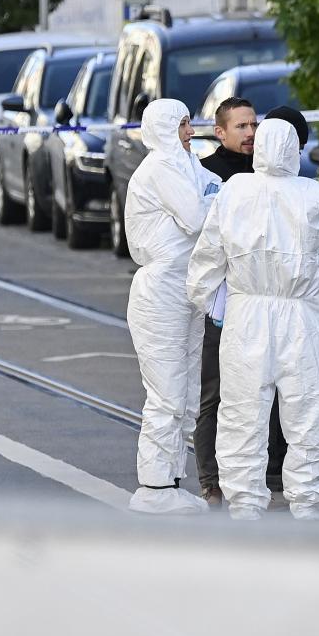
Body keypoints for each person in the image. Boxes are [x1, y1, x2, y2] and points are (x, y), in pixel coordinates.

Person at [187, 118, 319, 521]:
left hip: (246, 314)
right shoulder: (314, 195)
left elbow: (207, 258)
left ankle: (244, 502)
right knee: (309, 408)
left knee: (242, 410)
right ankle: (310, 501)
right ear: (295, 149)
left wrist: (209, 302)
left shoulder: (234, 193)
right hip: (301, 315)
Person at [191, 96, 288, 505]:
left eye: (254, 126)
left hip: (268, 301)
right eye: (242, 127)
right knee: (215, 391)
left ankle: (273, 469)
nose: (251, 134)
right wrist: (204, 297)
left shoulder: (271, 172)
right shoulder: (207, 174)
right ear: (220, 132)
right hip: (223, 302)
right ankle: (211, 480)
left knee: (276, 388)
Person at [124, 99, 217, 514]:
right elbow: (200, 216)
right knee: (167, 392)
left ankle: (170, 479)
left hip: (188, 290)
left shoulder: (185, 165)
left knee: (186, 392)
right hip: (161, 292)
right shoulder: (161, 168)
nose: (190, 133)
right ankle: (156, 484)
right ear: (163, 128)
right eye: (182, 125)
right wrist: (213, 197)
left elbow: (217, 189)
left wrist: (213, 195)